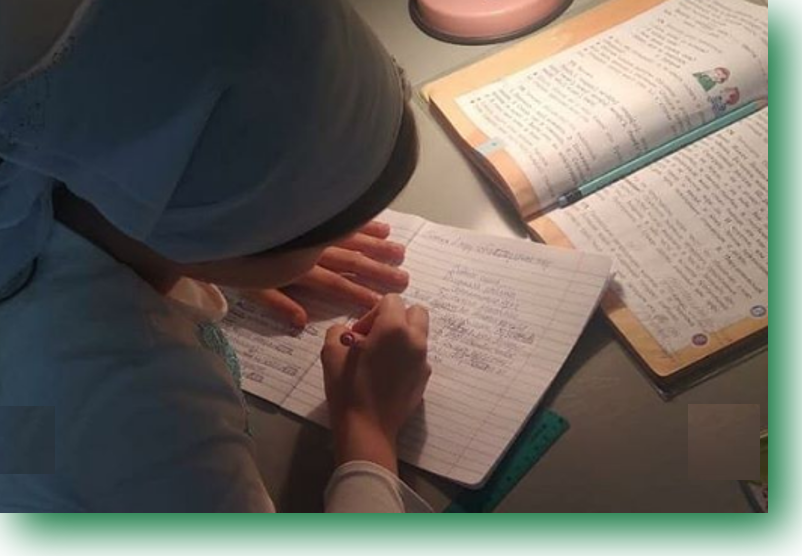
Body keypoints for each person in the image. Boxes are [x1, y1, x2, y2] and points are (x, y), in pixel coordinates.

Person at [0, 0, 432, 512]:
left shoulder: (42, 164)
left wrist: (228, 260)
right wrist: (368, 428)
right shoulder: (153, 415)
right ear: (231, 234)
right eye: (314, 231)